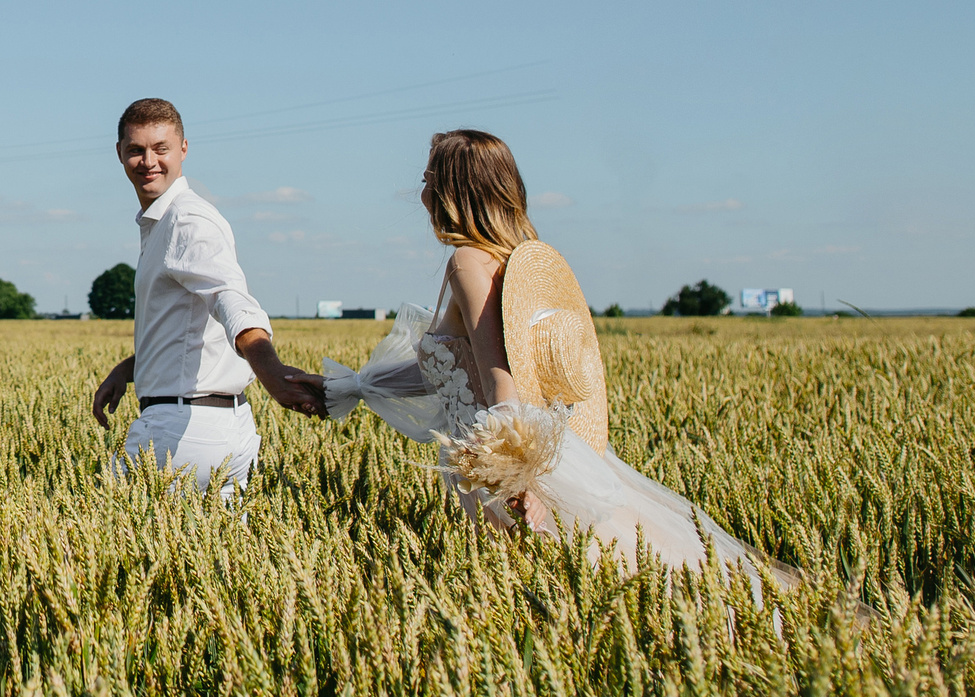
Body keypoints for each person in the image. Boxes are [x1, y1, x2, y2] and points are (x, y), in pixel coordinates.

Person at [325, 128, 792, 585]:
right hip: (522, 452)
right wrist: (351, 389)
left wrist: (515, 479)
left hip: (502, 462)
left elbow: (497, 378)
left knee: (569, 583)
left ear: (453, 191)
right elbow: (454, 371)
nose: (421, 192)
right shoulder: (506, 257)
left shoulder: (468, 262)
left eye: (429, 180)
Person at [88, 98, 327, 493]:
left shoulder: (186, 219)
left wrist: (271, 371)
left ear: (183, 148)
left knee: (96, 537)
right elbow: (187, 327)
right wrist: (128, 370)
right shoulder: (162, 222)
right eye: (136, 150)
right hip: (227, 429)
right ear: (119, 153)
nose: (148, 161)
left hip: (178, 430)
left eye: (161, 148)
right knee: (226, 553)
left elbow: (229, 298)